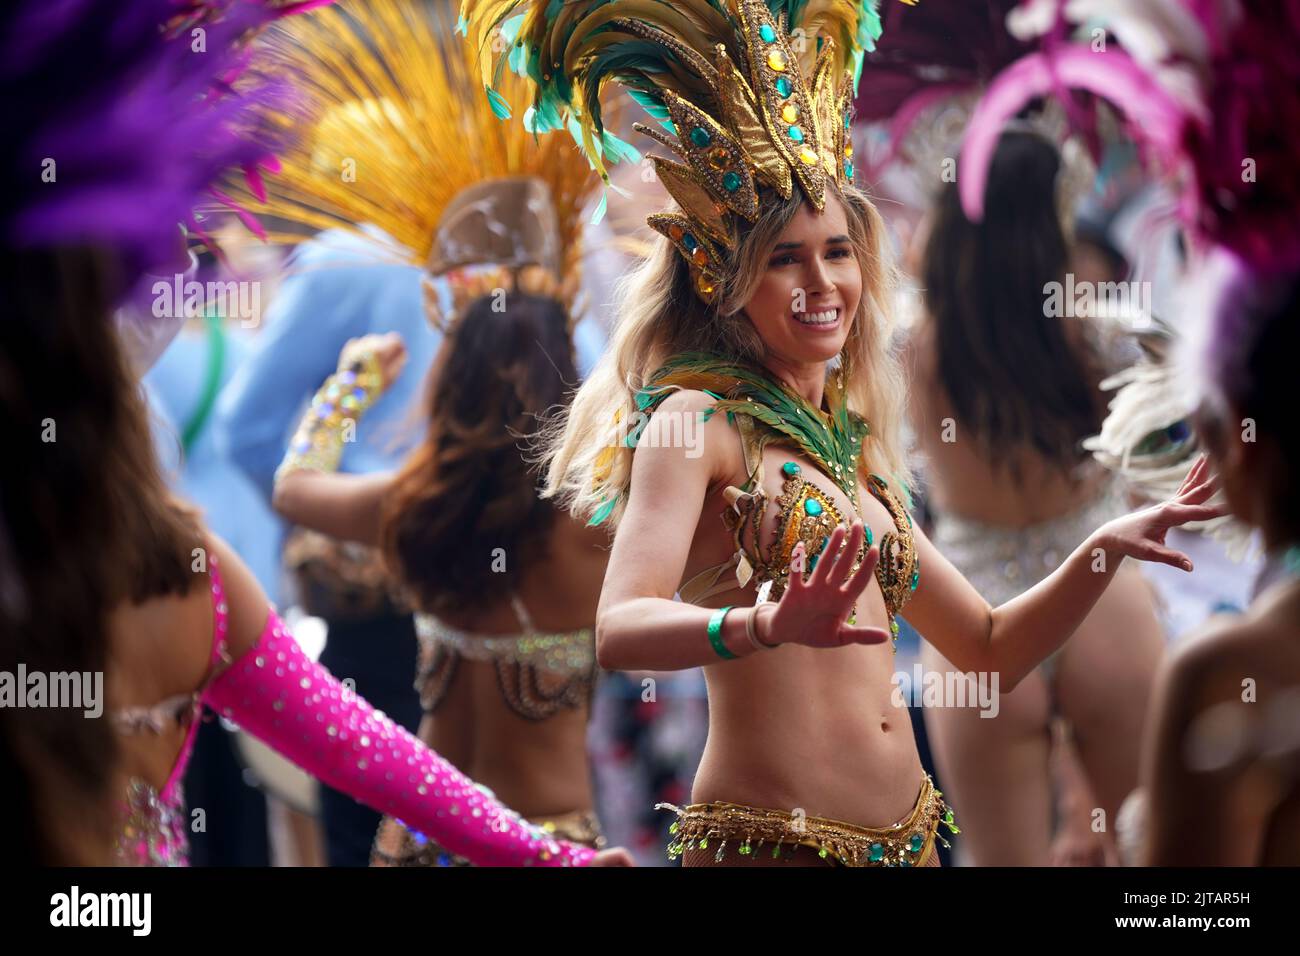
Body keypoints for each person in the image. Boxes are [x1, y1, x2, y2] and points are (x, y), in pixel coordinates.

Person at [461, 0, 1227, 866]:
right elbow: (621, 625)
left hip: (908, 845)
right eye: (784, 257)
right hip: (773, 844)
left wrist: (1105, 547)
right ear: (726, 279)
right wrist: (762, 623)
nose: (822, 280)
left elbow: (987, 646)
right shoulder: (696, 421)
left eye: (837, 251)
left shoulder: (843, 439)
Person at [908, 129, 1165, 866]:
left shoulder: (908, 349)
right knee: (1158, 864)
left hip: (974, 623)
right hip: (1103, 603)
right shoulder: (1100, 335)